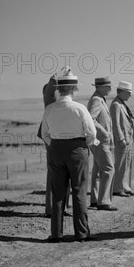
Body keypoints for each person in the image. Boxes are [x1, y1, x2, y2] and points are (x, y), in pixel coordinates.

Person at [41, 71, 99, 242]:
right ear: (74, 89)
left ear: (58, 89)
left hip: (56, 149)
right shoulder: (80, 108)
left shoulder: (50, 108)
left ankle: (56, 234)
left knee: (58, 192)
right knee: (79, 191)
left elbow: (44, 133)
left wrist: (55, 145)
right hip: (77, 149)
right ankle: (81, 233)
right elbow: (91, 132)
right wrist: (85, 145)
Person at [37, 67, 71, 218]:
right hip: (52, 135)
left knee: (66, 172)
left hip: (64, 135)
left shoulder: (64, 92)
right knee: (54, 172)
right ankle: (52, 210)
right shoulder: (51, 91)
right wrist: (55, 78)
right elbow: (49, 89)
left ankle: (61, 208)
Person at [87, 77, 117, 211]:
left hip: (100, 140)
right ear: (99, 87)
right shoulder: (96, 100)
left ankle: (95, 199)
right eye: (107, 86)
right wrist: (104, 132)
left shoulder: (100, 99)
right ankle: (103, 201)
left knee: (98, 170)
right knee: (108, 169)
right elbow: (90, 119)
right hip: (100, 140)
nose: (110, 89)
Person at [111, 81, 134, 197]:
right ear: (121, 92)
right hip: (123, 140)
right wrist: (120, 139)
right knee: (120, 164)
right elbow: (115, 124)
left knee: (127, 164)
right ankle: (117, 188)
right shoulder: (116, 104)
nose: (130, 95)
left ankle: (125, 186)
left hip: (128, 139)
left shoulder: (121, 103)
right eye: (128, 92)